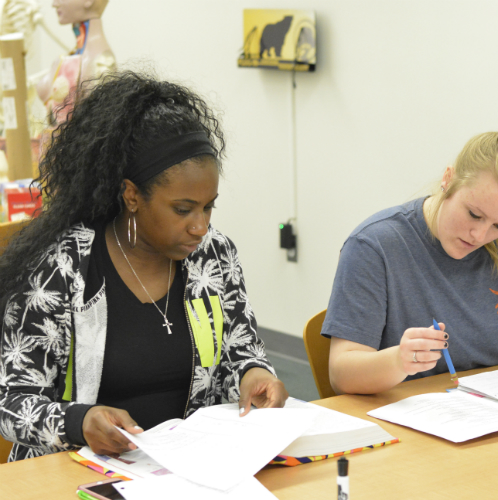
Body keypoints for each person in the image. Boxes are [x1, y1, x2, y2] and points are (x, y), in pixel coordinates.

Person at [0, 71, 287, 462]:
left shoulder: (213, 255)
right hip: (75, 471)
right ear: (132, 196)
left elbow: (242, 351)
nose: (200, 226)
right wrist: (78, 421)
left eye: (208, 206)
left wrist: (253, 375)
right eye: (183, 209)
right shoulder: (60, 268)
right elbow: (11, 401)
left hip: (186, 468)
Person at [323, 131, 498, 395]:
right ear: (448, 179)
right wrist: (399, 359)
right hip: (402, 415)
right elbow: (342, 374)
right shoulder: (374, 246)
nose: (480, 236)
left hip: (489, 415)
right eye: (473, 214)